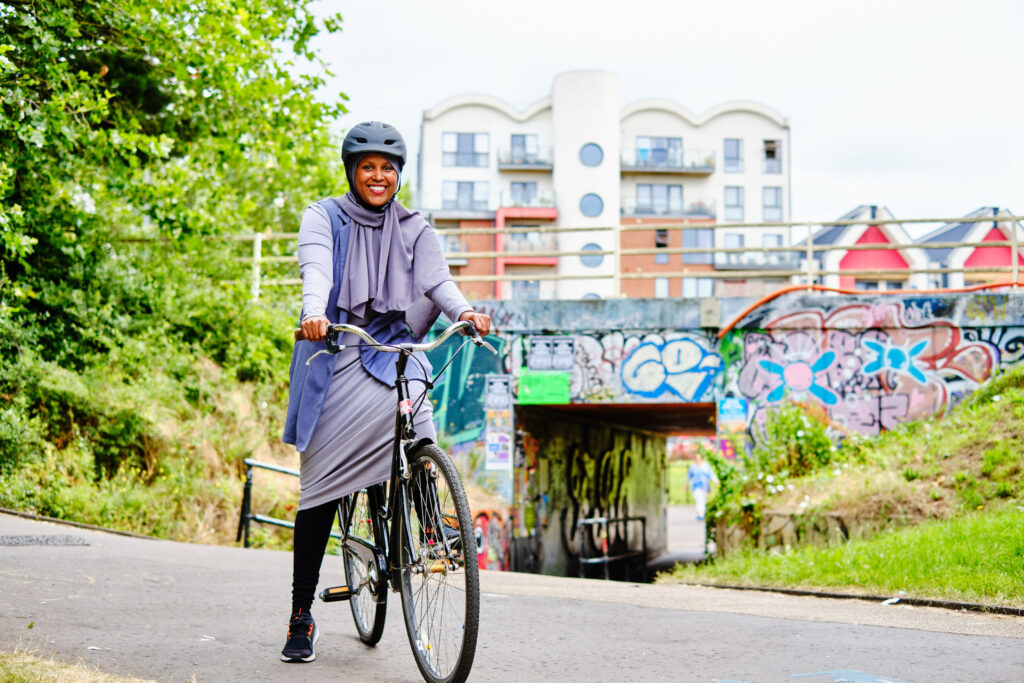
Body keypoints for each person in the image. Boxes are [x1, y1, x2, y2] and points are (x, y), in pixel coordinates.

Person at [279, 121, 491, 663]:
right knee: (321, 488)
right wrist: (313, 313)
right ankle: (301, 614)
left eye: (388, 168)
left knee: (417, 404)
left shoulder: (416, 227)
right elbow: (315, 268)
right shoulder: (322, 216)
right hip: (340, 349)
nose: (379, 176)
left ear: (399, 175)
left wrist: (463, 310)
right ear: (352, 170)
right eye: (368, 167)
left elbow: (437, 281)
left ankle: (428, 518)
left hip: (395, 345)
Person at [687, 452, 715, 521]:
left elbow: (711, 475)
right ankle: (701, 514)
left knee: (703, 500)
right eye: (696, 458)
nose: (698, 460)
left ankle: (701, 513)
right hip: (696, 486)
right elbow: (688, 477)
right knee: (699, 499)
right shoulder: (693, 467)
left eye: (699, 458)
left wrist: (716, 481)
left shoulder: (706, 466)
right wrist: (686, 484)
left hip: (704, 486)